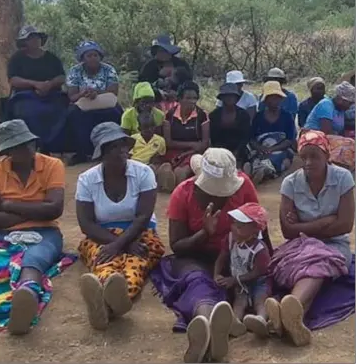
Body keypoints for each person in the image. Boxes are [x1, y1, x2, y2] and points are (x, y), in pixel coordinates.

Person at [150, 148, 273, 363]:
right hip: (194, 256)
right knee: (199, 282)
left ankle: (218, 328)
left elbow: (258, 225)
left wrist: (267, 257)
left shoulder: (244, 186)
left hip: (236, 256)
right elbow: (177, 246)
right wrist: (204, 233)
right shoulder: (182, 193)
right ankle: (205, 327)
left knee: (255, 288)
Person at [0, 120, 66, 340]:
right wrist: (36, 209)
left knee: (34, 258)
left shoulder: (53, 165)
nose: (27, 148)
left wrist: (8, 205)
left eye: (28, 142)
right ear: (7, 152)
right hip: (1, 234)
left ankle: (26, 295)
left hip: (45, 231)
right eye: (19, 145)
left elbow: (54, 210)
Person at [266, 130, 354, 346]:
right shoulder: (290, 182)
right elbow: (287, 232)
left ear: (327, 155)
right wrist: (325, 222)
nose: (307, 162)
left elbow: (345, 225)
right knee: (312, 265)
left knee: (318, 263)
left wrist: (303, 227)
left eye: (314, 156)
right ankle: (294, 317)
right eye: (303, 156)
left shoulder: (343, 178)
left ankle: (287, 311)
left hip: (334, 245)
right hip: (299, 244)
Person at [75, 122, 165, 331]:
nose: (123, 150)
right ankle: (111, 298)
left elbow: (143, 216)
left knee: (136, 264)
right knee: (104, 262)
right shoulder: (87, 180)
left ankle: (109, 305)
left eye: (123, 144)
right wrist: (118, 244)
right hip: (101, 234)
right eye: (114, 146)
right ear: (103, 153)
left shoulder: (144, 173)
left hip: (140, 232)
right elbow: (86, 223)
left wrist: (122, 243)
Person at [6, 26, 69, 154]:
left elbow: (62, 76)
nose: (35, 40)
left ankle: (54, 146)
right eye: (31, 38)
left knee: (61, 111)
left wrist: (49, 84)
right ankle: (34, 145)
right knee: (29, 113)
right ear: (25, 42)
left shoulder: (51, 58)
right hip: (25, 95)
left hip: (52, 94)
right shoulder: (17, 58)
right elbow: (13, 79)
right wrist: (35, 84)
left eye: (37, 37)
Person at [214, 203, 271, 338]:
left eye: (240, 226)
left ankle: (261, 320)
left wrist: (234, 280)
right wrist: (216, 274)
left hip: (258, 281)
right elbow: (221, 258)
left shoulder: (260, 249)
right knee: (239, 300)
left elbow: (258, 272)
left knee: (260, 298)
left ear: (255, 231)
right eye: (234, 223)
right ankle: (235, 322)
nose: (234, 228)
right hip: (239, 282)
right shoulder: (230, 240)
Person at [66, 41, 123, 165]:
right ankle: (81, 153)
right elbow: (72, 96)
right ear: (83, 58)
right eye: (89, 55)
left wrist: (96, 92)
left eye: (95, 55)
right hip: (83, 104)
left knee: (116, 112)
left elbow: (113, 92)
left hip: (104, 103)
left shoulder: (109, 69)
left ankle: (110, 149)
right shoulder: (75, 71)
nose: (93, 58)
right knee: (73, 114)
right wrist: (83, 93)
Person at [158, 81, 209, 192]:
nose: (192, 102)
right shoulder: (169, 115)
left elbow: (204, 144)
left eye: (195, 98)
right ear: (180, 99)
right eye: (188, 98)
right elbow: (168, 142)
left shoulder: (202, 115)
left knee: (180, 173)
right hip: (174, 153)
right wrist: (192, 144)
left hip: (192, 155)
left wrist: (189, 150)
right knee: (166, 171)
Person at [250, 81, 296, 183]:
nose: (274, 101)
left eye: (276, 98)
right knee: (254, 156)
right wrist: (261, 148)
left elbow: (289, 140)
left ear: (280, 99)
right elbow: (252, 139)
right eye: (271, 98)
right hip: (262, 149)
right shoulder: (258, 117)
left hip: (280, 148)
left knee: (282, 158)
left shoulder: (287, 116)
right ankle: (257, 169)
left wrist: (272, 149)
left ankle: (266, 170)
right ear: (265, 100)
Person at [139, 35, 192, 110]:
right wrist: (160, 93)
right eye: (158, 51)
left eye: (162, 51)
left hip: (179, 104)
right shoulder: (149, 66)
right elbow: (142, 86)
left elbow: (189, 84)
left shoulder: (181, 64)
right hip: (154, 105)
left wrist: (178, 94)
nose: (160, 53)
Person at [209, 83, 251, 169]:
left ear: (236, 98)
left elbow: (246, 137)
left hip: (239, 151)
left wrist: (236, 152)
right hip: (219, 151)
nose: (229, 98)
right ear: (222, 98)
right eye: (226, 96)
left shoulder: (243, 115)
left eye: (232, 96)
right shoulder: (214, 115)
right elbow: (212, 138)